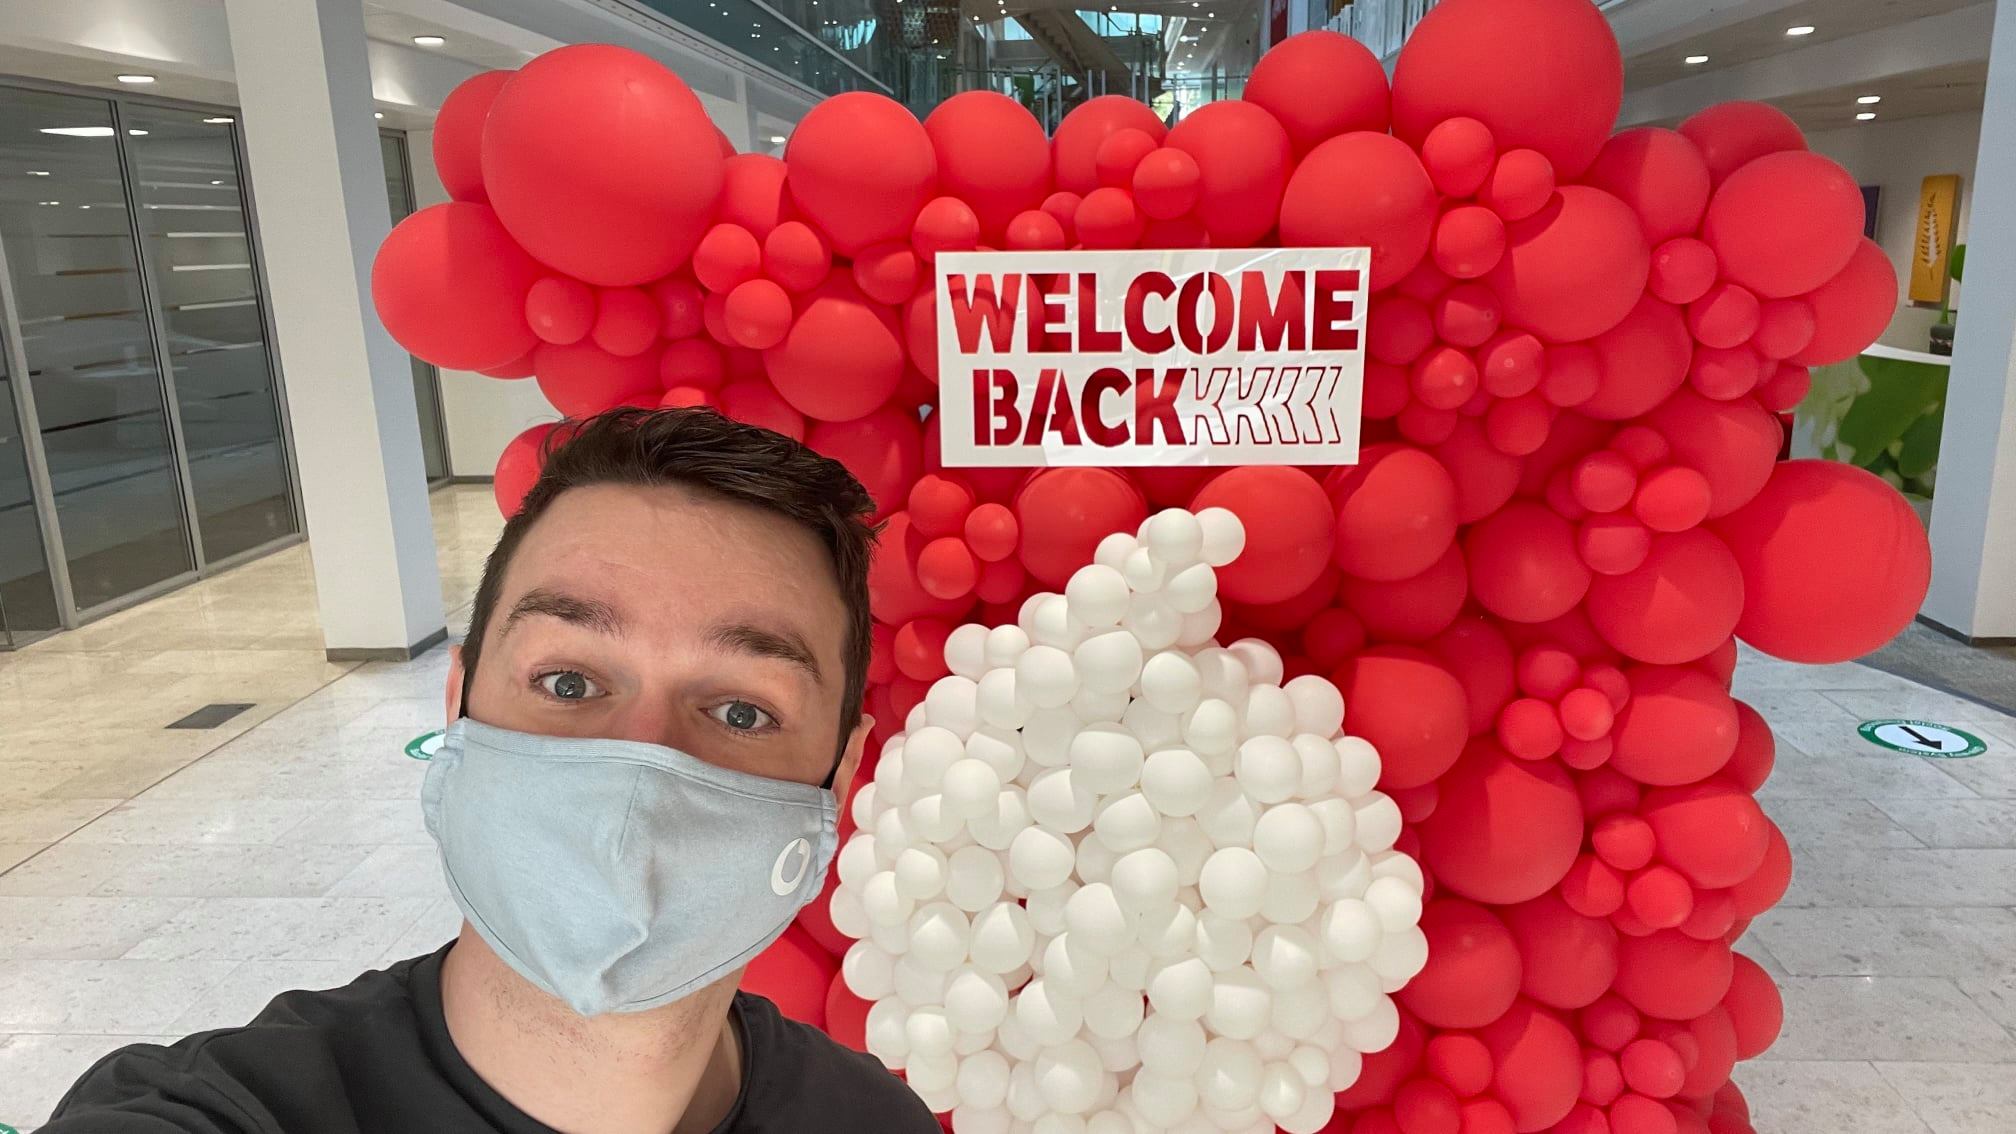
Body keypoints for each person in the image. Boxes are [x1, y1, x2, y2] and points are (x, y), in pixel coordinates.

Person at [43, 408, 938, 1134]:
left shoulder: (871, 1121)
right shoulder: (219, 1112)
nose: (644, 764)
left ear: (839, 778)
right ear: (458, 706)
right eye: (568, 682)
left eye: (742, 712)